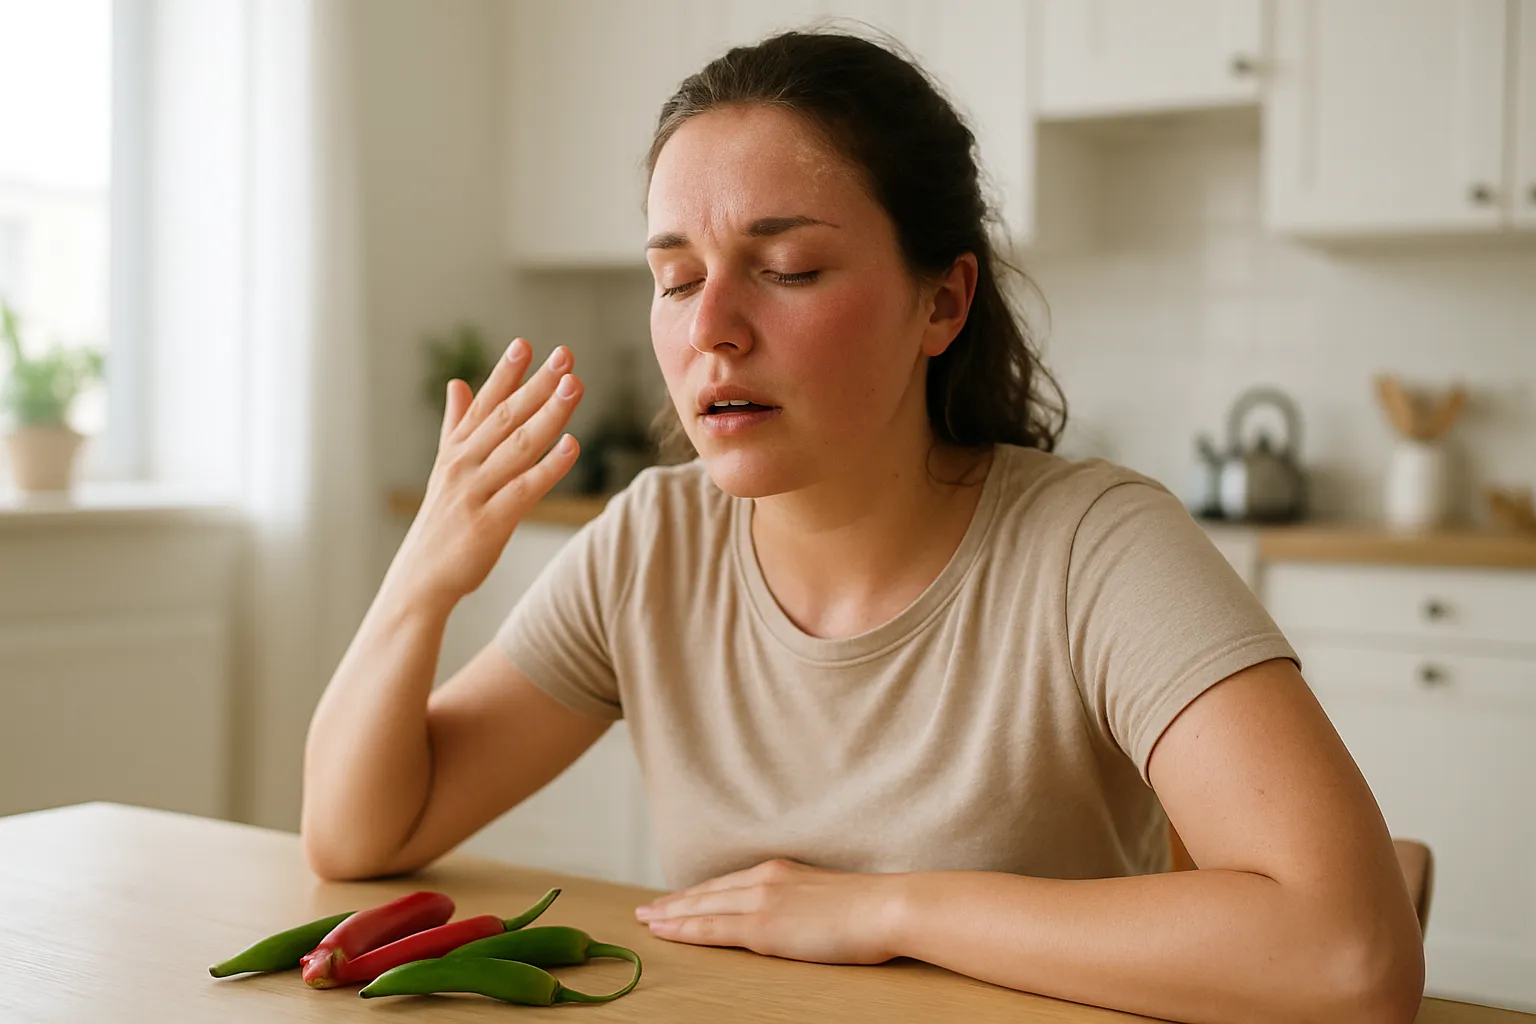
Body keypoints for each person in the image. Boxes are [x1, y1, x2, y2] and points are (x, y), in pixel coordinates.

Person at [301, 30, 1424, 1023]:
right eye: (677, 279)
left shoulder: (1097, 546)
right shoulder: (652, 543)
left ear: (942, 301)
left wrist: (887, 908)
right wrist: (422, 579)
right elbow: (358, 835)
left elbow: (1350, 955)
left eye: (786, 268)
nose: (714, 333)